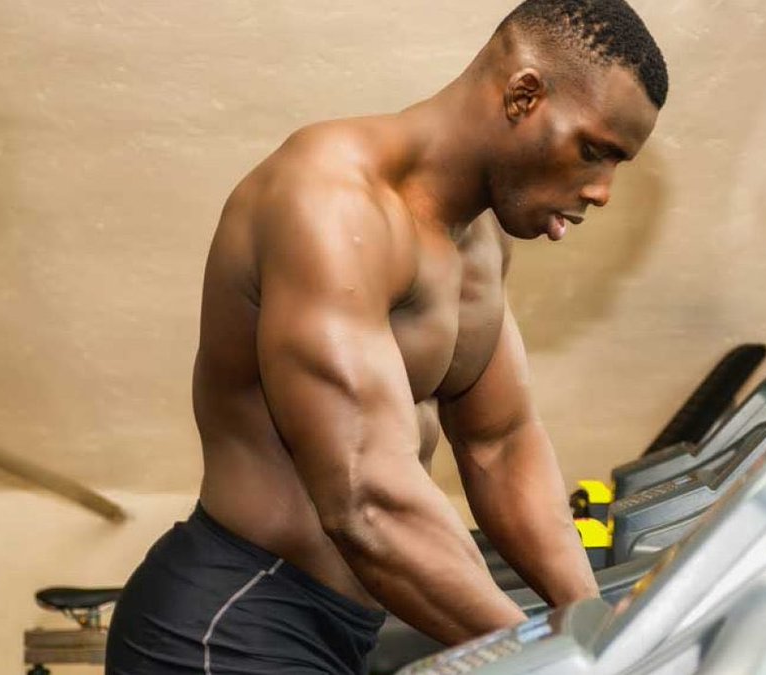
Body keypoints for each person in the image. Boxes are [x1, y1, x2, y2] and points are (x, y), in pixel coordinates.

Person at [106, 1, 667, 672]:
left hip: (341, 626)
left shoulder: (479, 242)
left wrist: (592, 623)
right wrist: (558, 658)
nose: (602, 191)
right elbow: (364, 499)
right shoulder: (332, 202)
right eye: (593, 150)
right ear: (524, 94)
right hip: (232, 623)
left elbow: (500, 442)